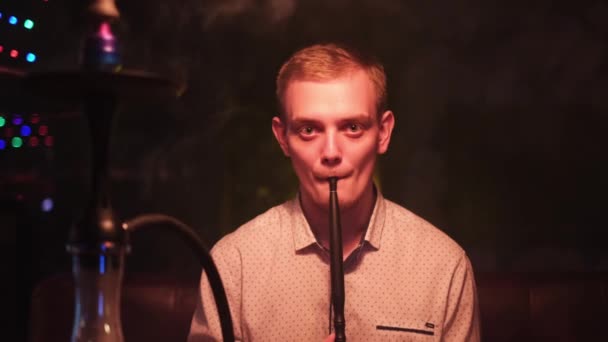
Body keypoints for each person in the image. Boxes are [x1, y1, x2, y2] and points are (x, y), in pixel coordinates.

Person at [188, 43, 480, 341]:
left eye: (352, 127)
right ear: (283, 138)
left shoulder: (444, 267)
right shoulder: (234, 265)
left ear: (383, 132)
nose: (330, 152)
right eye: (309, 130)